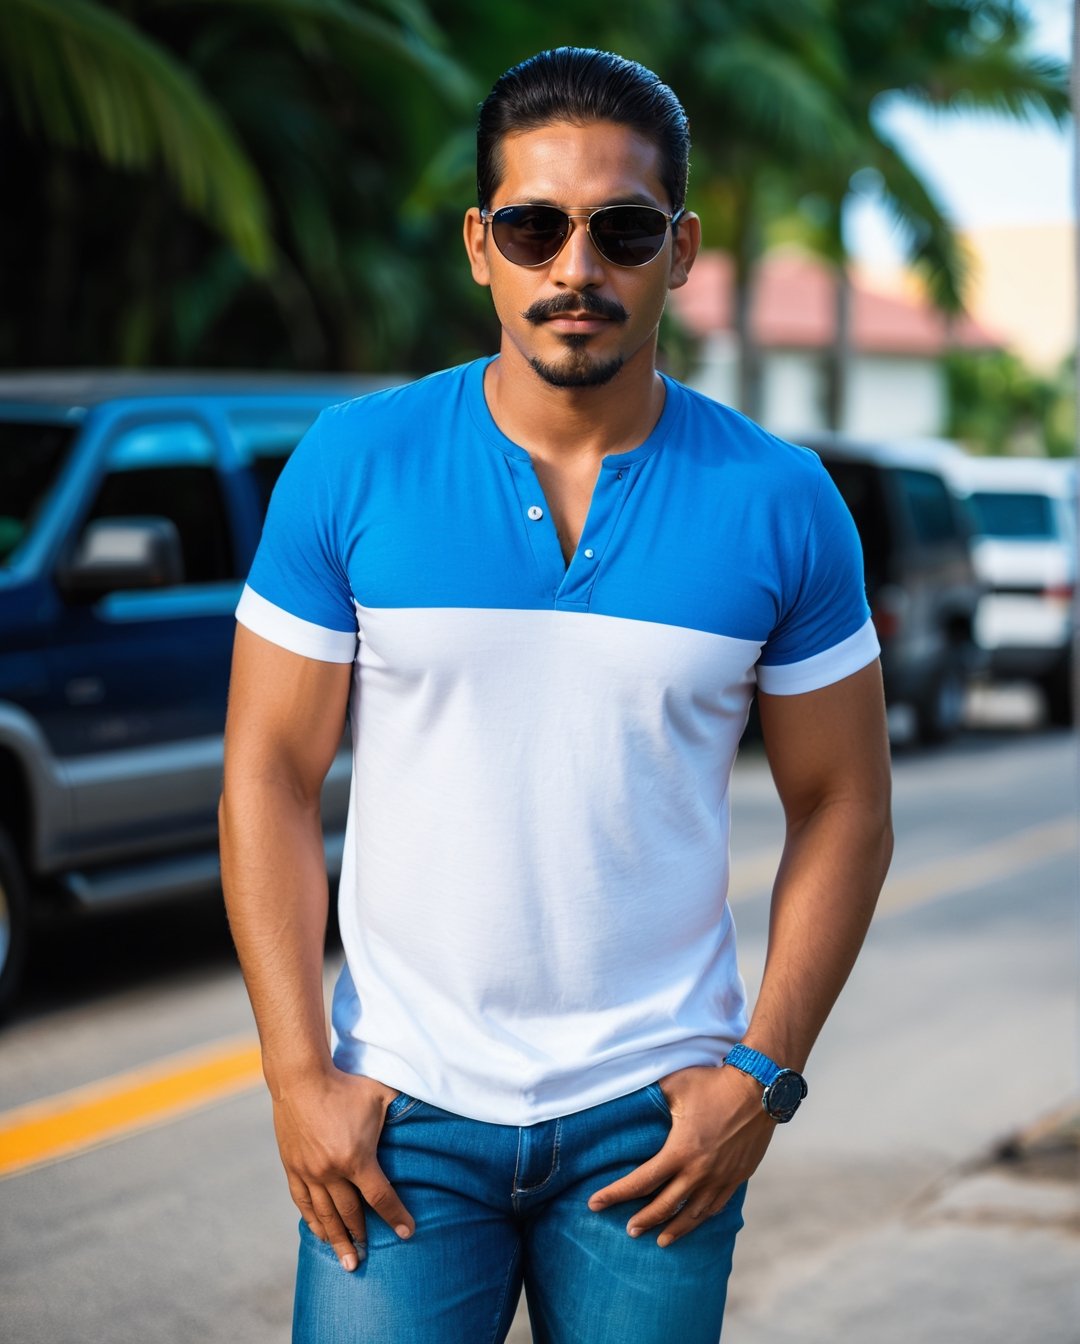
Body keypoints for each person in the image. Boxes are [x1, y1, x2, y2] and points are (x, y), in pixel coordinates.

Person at [219, 46, 893, 1344]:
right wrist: (299, 1077)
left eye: (620, 229)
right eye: (534, 227)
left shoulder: (780, 501)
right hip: (399, 1117)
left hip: (656, 1132)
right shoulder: (354, 465)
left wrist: (761, 1075)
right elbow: (266, 775)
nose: (575, 269)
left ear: (681, 251)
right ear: (482, 245)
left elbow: (847, 804)